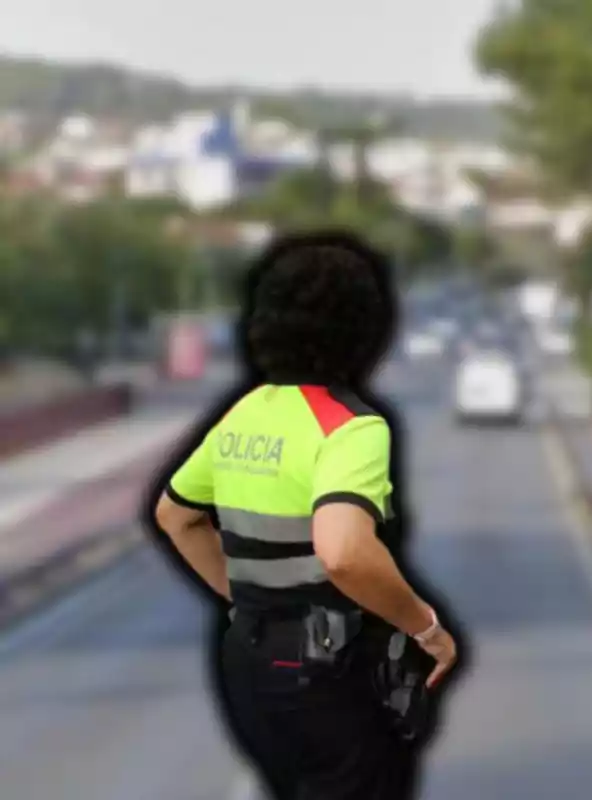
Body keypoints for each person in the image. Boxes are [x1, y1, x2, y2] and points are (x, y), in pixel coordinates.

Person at [152, 232, 458, 799]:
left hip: (244, 666)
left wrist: (245, 598)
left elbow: (175, 515)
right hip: (328, 674)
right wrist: (426, 628)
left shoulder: (245, 412)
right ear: (365, 328)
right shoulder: (352, 426)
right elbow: (344, 552)